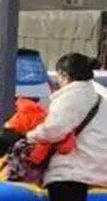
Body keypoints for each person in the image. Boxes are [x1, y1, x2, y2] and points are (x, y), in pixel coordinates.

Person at [27, 53, 106, 201]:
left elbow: (53, 130)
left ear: (64, 74)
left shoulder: (72, 96)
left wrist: (31, 135)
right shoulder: (98, 97)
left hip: (71, 168)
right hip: (90, 165)